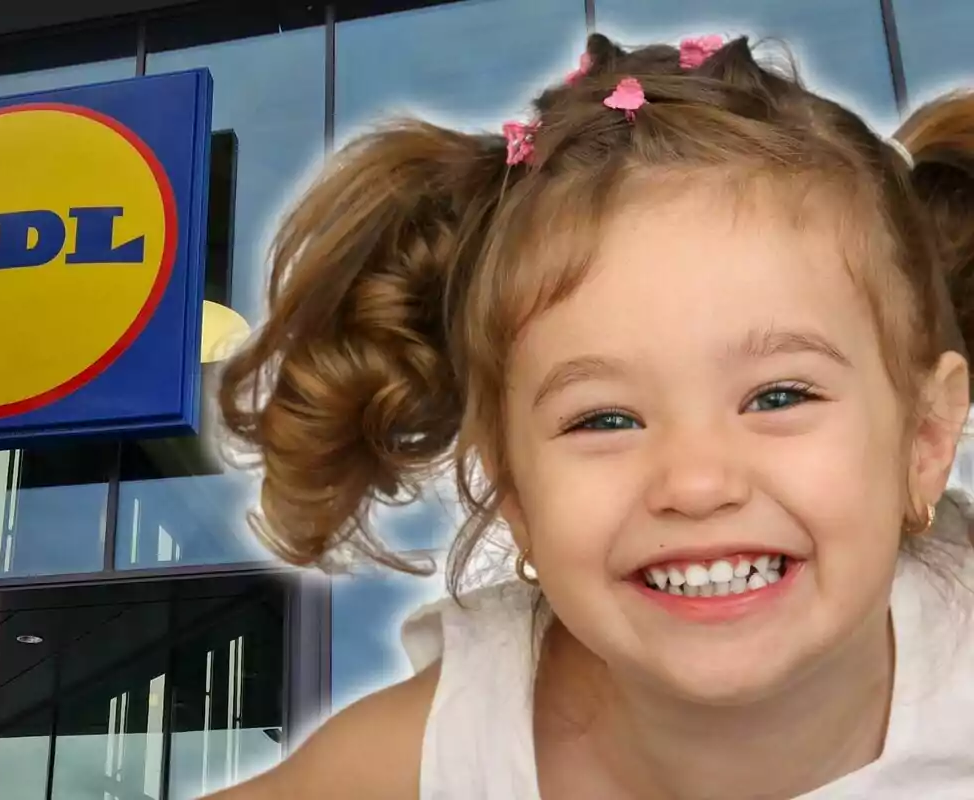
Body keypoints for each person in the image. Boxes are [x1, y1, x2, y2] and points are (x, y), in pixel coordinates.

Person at [212, 32, 974, 799]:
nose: (697, 482)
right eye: (605, 420)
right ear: (513, 491)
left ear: (925, 439)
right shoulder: (454, 745)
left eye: (778, 396)